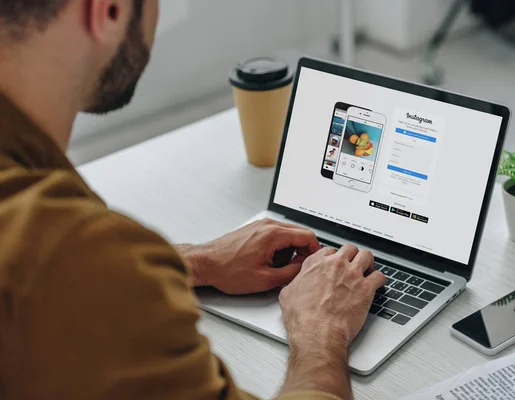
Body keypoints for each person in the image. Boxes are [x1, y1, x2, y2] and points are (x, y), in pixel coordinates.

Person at [0, 1, 386, 399]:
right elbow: (70, 272)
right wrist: (322, 331)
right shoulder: (74, 253)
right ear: (108, 10)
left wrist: (196, 262)